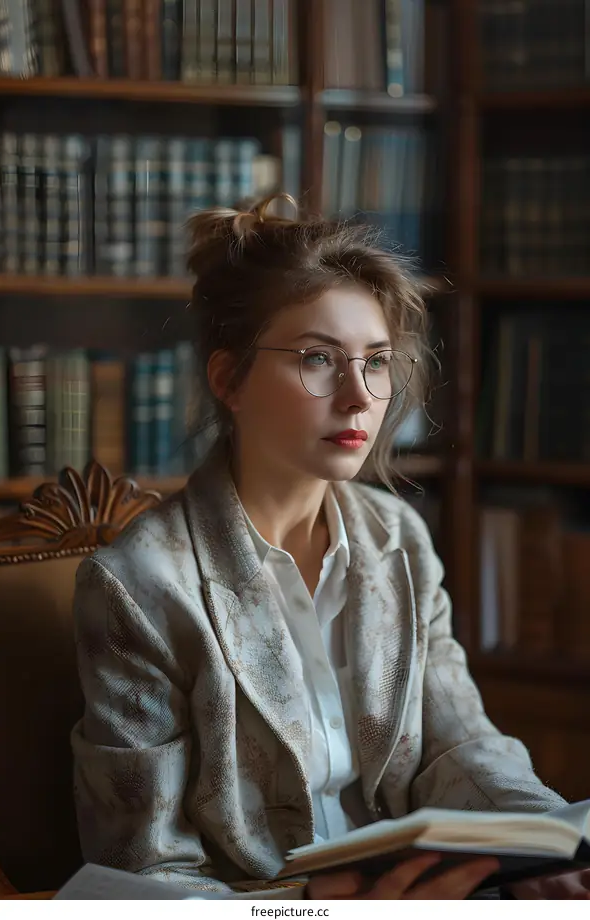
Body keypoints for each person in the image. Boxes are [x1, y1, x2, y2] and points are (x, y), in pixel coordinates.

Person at [71, 195, 588, 900]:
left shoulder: (397, 538)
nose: (358, 397)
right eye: (318, 359)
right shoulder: (139, 583)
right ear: (229, 380)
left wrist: (546, 842)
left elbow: (459, 744)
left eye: (375, 362)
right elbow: (147, 871)